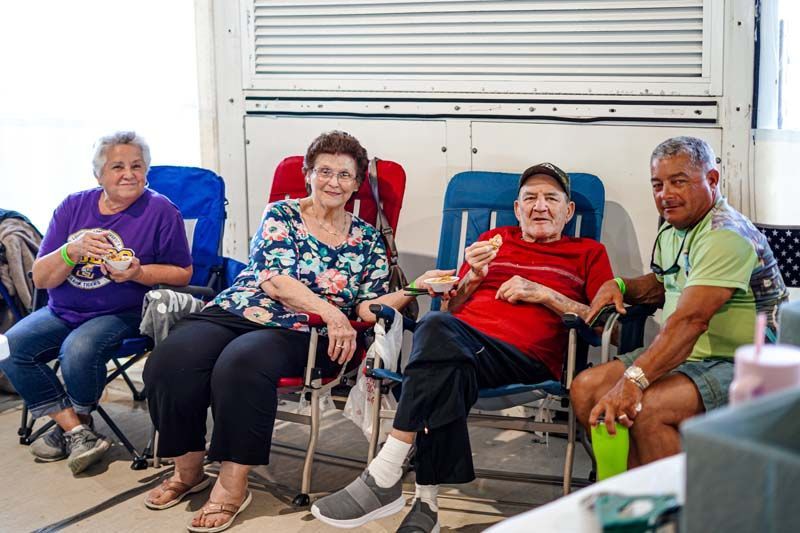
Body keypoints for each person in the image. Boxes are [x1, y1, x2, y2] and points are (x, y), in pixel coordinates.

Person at [142, 130, 449, 533]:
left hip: (308, 332)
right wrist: (332, 312)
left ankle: (232, 485)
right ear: (308, 174)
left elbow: (364, 307)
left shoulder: (369, 241)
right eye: (324, 171)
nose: (333, 182)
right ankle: (189, 469)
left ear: (357, 185)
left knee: (241, 364)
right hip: (243, 308)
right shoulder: (280, 215)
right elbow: (273, 281)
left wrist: (413, 288)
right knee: (170, 361)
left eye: (344, 175)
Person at [312, 162, 614, 532]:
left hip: (525, 358)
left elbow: (603, 327)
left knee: (435, 333)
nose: (540, 206)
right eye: (530, 198)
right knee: (442, 354)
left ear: (568, 211)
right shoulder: (492, 242)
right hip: (460, 349)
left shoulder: (588, 253)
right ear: (517, 210)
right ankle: (426, 507)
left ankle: (385, 473)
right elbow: (449, 307)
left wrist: (545, 294)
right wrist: (472, 279)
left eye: (551, 198)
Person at [570, 136, 788, 467]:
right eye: (657, 184)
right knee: (585, 389)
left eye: (678, 182)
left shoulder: (724, 235)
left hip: (739, 364)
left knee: (649, 408)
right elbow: (665, 283)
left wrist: (634, 381)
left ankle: (677, 512)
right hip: (686, 356)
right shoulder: (674, 228)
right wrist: (621, 285)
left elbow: (691, 320)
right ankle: (635, 492)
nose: (665, 194)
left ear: (712, 180)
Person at [0, 131, 192, 475]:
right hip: (62, 310)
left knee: (78, 349)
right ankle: (76, 429)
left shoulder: (161, 210)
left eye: (137, 165)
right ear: (99, 175)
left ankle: (77, 420)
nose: (129, 173)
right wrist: (71, 251)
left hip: (124, 312)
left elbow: (183, 273)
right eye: (117, 166)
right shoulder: (73, 206)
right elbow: (41, 278)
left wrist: (138, 272)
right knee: (8, 346)